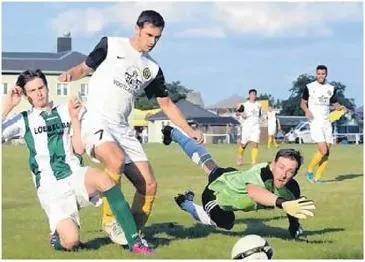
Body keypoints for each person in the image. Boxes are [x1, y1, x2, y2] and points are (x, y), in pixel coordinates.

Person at [58, 10, 204, 244]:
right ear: (137, 28)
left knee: (149, 185)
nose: (152, 41)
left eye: (157, 38)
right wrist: (69, 75)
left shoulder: (153, 69)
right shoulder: (111, 45)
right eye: (149, 35)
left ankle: (132, 234)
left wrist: (190, 130)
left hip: (122, 127)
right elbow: (85, 67)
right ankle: (110, 221)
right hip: (95, 119)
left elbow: (166, 104)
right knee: (114, 160)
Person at [1, 69, 152, 255]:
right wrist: (7, 106)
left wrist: (74, 118)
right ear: (25, 95)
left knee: (106, 180)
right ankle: (57, 238)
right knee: (71, 242)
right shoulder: (23, 120)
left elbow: (79, 149)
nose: (38, 93)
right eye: (32, 91)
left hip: (74, 174)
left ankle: (135, 242)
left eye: (41, 87)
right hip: (51, 188)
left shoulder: (65, 110)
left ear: (47, 88)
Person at [161, 126, 316, 239]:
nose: (284, 174)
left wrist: (294, 227)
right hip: (217, 192)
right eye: (281, 167)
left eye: (290, 171)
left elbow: (292, 208)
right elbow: (254, 192)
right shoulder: (262, 173)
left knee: (206, 161)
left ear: (295, 173)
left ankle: (174, 133)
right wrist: (281, 203)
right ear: (273, 164)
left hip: (231, 175)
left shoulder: (292, 188)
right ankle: (187, 205)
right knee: (226, 222)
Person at [300, 65, 346, 184]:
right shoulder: (309, 87)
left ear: (326, 74)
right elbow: (303, 103)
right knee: (323, 150)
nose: (321, 76)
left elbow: (335, 104)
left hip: (327, 122)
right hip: (315, 121)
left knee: (327, 152)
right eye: (319, 74)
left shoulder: (331, 88)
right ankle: (309, 170)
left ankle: (317, 178)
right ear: (316, 74)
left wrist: (341, 108)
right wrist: (306, 111)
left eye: (323, 74)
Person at [236, 89, 262, 165]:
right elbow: (238, 113)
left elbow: (260, 114)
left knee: (255, 143)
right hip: (247, 126)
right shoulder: (244, 105)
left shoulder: (259, 105)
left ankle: (253, 161)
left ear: (256, 96)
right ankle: (240, 156)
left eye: (254, 94)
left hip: (256, 126)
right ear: (249, 95)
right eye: (251, 94)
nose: (253, 96)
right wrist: (241, 113)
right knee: (243, 144)